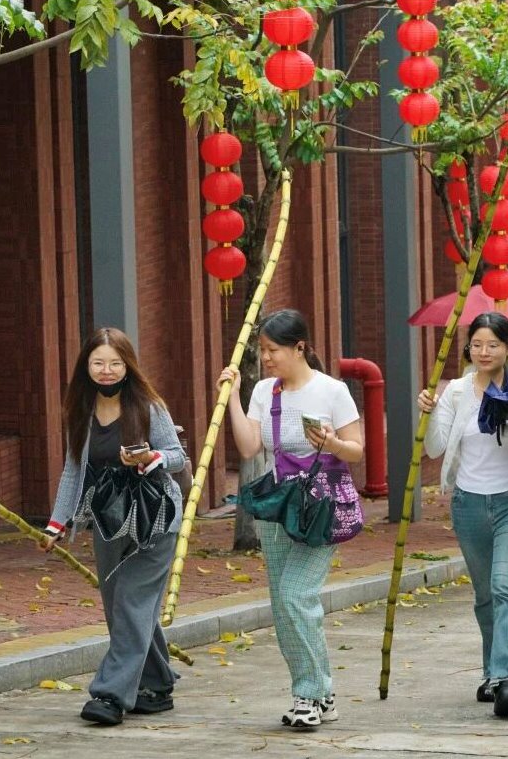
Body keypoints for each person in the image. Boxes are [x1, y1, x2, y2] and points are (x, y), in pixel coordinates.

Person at [219, 309, 364, 729]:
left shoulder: (332, 391)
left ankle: (311, 692)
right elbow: (249, 448)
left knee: (297, 594)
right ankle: (318, 694)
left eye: (273, 350)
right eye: (262, 350)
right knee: (283, 605)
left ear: (299, 347)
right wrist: (232, 397)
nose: (266, 358)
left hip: (320, 508)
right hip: (279, 508)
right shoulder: (265, 391)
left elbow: (357, 450)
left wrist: (332, 443)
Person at [40, 328, 186, 726]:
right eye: (98, 363)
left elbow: (176, 456)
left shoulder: (148, 406)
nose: (106, 371)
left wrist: (151, 457)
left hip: (155, 520)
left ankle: (110, 695)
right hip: (108, 521)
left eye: (115, 363)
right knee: (120, 608)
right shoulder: (81, 411)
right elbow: (74, 470)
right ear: (86, 367)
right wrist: (56, 523)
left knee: (131, 604)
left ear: (128, 366)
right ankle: (156, 684)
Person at [418, 311, 508, 718]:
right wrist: (427, 412)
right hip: (468, 504)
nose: (484, 351)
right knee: (485, 596)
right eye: (477, 344)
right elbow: (434, 448)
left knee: (504, 584)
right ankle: (493, 673)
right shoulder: (456, 392)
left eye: (493, 344)